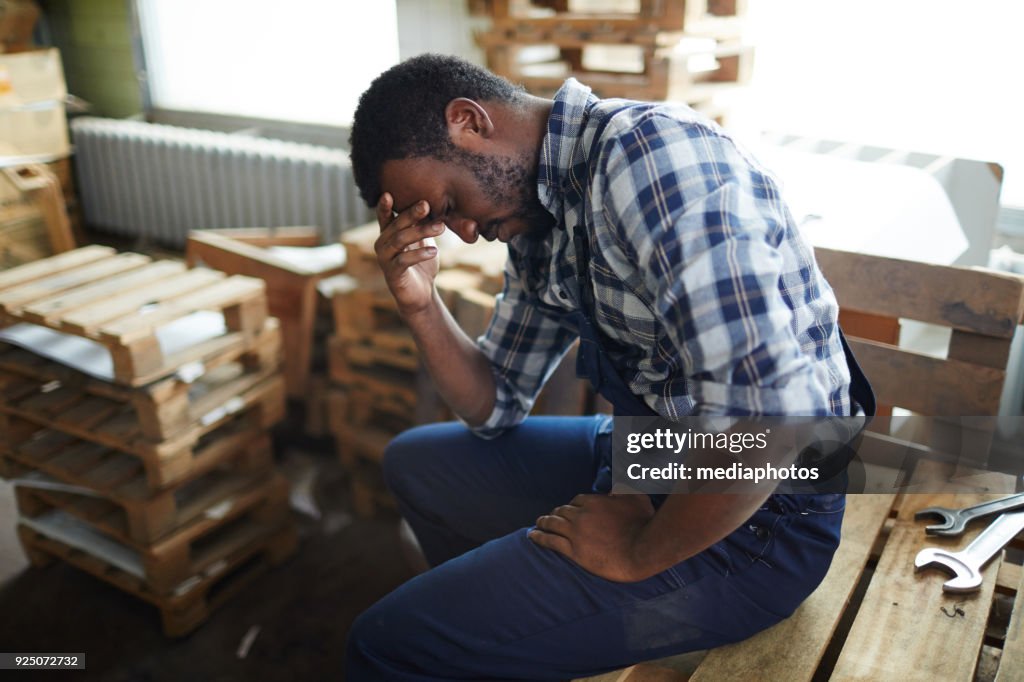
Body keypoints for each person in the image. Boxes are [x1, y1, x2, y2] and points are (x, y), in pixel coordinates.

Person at [344, 54, 872, 681]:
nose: (463, 232)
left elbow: (775, 421)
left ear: (469, 122)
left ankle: (495, 636)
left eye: (450, 203)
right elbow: (496, 403)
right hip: (656, 456)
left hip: (765, 522)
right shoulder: (540, 217)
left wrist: (637, 553)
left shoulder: (648, 157)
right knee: (416, 463)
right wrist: (421, 304)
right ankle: (505, 641)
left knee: (384, 644)